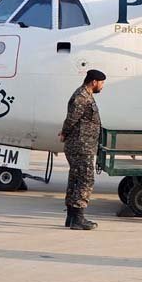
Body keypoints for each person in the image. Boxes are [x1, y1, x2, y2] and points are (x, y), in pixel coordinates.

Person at [59, 69, 106, 231]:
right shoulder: (82, 97)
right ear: (94, 82)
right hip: (81, 146)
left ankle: (72, 217)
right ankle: (78, 218)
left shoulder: (85, 95)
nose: (102, 86)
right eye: (101, 83)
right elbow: (72, 118)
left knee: (76, 180)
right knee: (85, 180)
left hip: (83, 145)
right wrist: (64, 132)